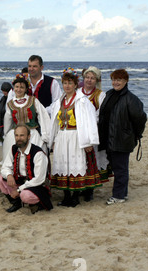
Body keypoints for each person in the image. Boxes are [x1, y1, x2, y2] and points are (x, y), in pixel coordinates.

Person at [48, 68, 102, 207]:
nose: (67, 85)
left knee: (75, 165)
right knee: (64, 165)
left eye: (70, 83)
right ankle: (66, 197)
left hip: (76, 137)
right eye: (65, 83)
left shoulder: (82, 101)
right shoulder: (59, 101)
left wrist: (90, 141)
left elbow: (90, 121)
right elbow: (54, 120)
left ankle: (75, 197)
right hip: (62, 137)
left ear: (76, 84)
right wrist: (53, 139)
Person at [98, 69, 147, 205]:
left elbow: (140, 118)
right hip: (108, 138)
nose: (116, 82)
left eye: (119, 80)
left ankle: (119, 195)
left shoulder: (131, 99)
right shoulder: (109, 94)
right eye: (114, 79)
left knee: (120, 168)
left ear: (126, 81)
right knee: (115, 166)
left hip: (122, 139)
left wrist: (135, 134)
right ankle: (122, 193)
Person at [0, 124, 53, 214]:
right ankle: (16, 203)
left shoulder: (38, 153)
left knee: (25, 195)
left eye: (22, 135)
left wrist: (19, 190)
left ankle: (37, 204)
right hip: (20, 181)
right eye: (17, 135)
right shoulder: (14, 149)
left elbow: (39, 179)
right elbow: (5, 167)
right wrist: (9, 175)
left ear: (29, 136)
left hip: (36, 185)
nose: (19, 138)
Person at [1, 73, 51, 165]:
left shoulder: (33, 100)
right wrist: (6, 134)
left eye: (21, 87)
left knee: (34, 160)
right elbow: (7, 120)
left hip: (32, 134)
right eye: (16, 87)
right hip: (16, 134)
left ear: (26, 89)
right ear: (13, 87)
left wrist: (45, 134)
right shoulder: (10, 104)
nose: (18, 89)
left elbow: (43, 117)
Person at [77, 66, 109, 201]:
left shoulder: (100, 95)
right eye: (87, 77)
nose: (89, 80)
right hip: (78, 131)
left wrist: (87, 121)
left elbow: (100, 114)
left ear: (96, 80)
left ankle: (89, 189)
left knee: (92, 160)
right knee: (79, 160)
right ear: (83, 79)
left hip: (93, 131)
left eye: (92, 78)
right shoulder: (78, 92)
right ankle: (80, 186)